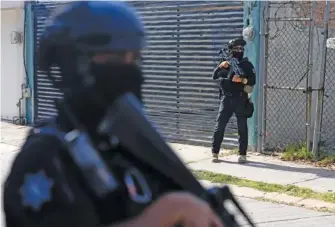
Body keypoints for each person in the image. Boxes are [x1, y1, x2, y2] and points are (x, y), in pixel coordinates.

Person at [2, 2, 224, 227]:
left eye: (135, 58)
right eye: (114, 58)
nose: (130, 70)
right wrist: (163, 215)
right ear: (70, 62)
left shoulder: (123, 148)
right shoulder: (44, 156)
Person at [211, 37, 256, 163]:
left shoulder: (246, 65)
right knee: (220, 126)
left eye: (241, 48)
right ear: (231, 50)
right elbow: (215, 76)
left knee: (242, 127)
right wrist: (221, 67)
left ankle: (242, 154)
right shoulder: (226, 63)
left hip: (241, 98)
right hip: (227, 98)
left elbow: (253, 80)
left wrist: (241, 80)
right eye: (236, 48)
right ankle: (215, 152)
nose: (239, 50)